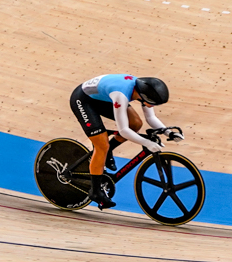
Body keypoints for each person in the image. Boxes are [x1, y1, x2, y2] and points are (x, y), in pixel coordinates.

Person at [67, 74, 177, 208]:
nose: (153, 106)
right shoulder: (121, 95)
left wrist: (168, 132)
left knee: (135, 124)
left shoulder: (143, 90)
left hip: (104, 97)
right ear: (145, 97)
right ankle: (95, 192)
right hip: (83, 100)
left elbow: (151, 118)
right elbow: (124, 130)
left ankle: (108, 153)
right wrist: (147, 143)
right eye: (153, 103)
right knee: (102, 145)